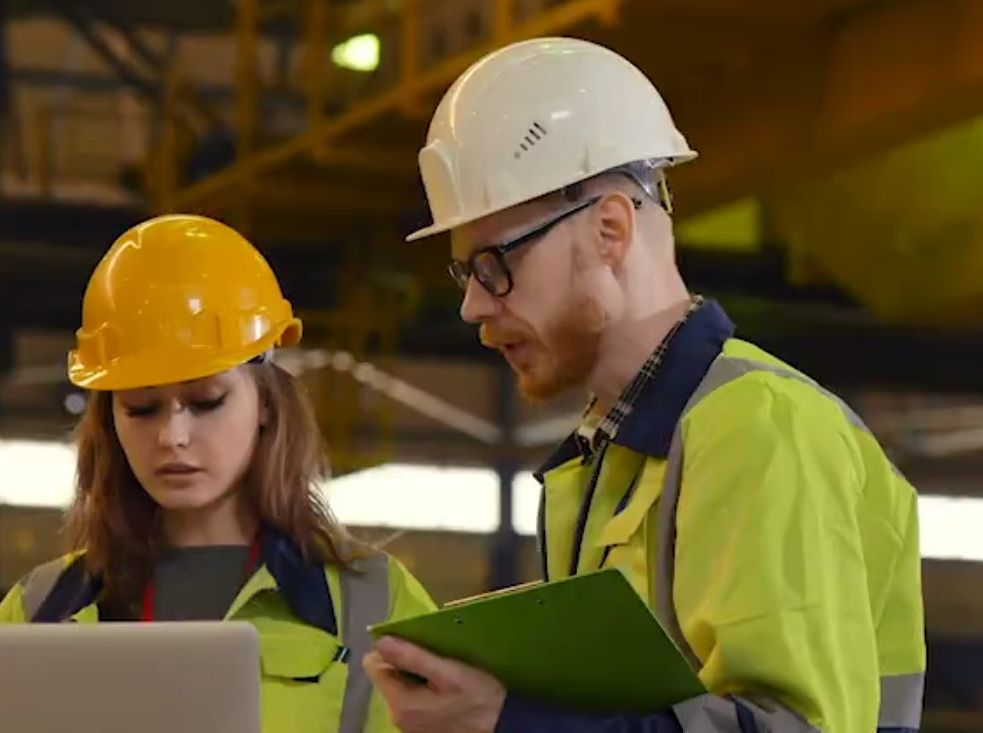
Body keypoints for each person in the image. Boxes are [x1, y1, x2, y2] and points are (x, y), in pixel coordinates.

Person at [364, 37, 925, 733]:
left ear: (610, 229)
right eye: (465, 274)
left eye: (494, 264)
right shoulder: (611, 460)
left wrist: (511, 724)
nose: (473, 305)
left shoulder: (758, 428)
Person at [0, 213, 437, 733]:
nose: (172, 436)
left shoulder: (375, 605)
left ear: (266, 403)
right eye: (141, 408)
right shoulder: (41, 610)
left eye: (206, 402)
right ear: (110, 421)